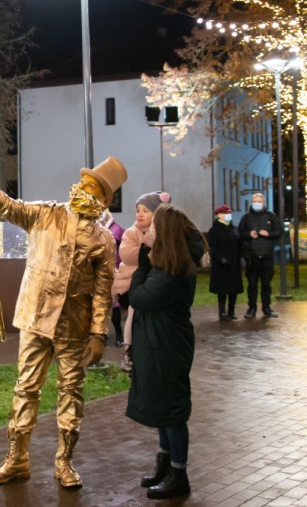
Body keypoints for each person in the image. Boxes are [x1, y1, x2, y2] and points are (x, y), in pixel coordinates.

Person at [0, 153, 127, 489]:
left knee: (71, 393)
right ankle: (16, 460)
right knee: (26, 389)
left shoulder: (103, 239)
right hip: (36, 319)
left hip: (74, 328)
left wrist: (99, 333)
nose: (84, 186)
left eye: (93, 185)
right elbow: (7, 206)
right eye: (84, 180)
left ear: (102, 197)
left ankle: (64, 464)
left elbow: (102, 292)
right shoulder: (47, 214)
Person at [126, 204, 205, 500]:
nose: (150, 232)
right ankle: (164, 465)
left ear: (167, 233)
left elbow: (138, 297)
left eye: (155, 228)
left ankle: (178, 474)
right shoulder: (168, 263)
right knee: (161, 405)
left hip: (167, 344)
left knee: (171, 409)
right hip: (158, 341)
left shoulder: (172, 268)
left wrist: (143, 262)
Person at [111, 191, 171, 373]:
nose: (140, 214)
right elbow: (127, 254)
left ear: (157, 214)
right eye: (138, 210)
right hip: (131, 284)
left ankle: (153, 349)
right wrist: (147, 245)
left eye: (145, 210)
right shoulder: (132, 232)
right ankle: (128, 348)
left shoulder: (164, 233)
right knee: (133, 314)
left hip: (152, 285)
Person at [237, 192, 282, 318]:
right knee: (252, 285)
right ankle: (251, 308)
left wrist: (269, 234)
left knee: (266, 284)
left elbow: (279, 231)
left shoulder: (271, 216)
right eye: (255, 201)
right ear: (252, 202)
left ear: (263, 203)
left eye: (259, 201)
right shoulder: (246, 217)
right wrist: (248, 234)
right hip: (252, 257)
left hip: (267, 256)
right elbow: (240, 233)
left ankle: (266, 308)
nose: (257, 203)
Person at [207, 205, 243, 320]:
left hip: (234, 263)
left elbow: (239, 244)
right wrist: (221, 259)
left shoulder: (234, 228)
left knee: (234, 288)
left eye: (229, 213)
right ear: (219, 215)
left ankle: (231, 312)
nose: (229, 215)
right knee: (222, 289)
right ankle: (222, 312)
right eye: (226, 213)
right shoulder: (214, 230)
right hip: (221, 265)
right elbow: (212, 248)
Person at [99, 210, 126, 346]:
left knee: (115, 305)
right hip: (100, 272)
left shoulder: (116, 230)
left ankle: (119, 334)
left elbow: (123, 249)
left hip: (114, 270)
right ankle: (101, 335)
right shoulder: (98, 230)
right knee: (101, 305)